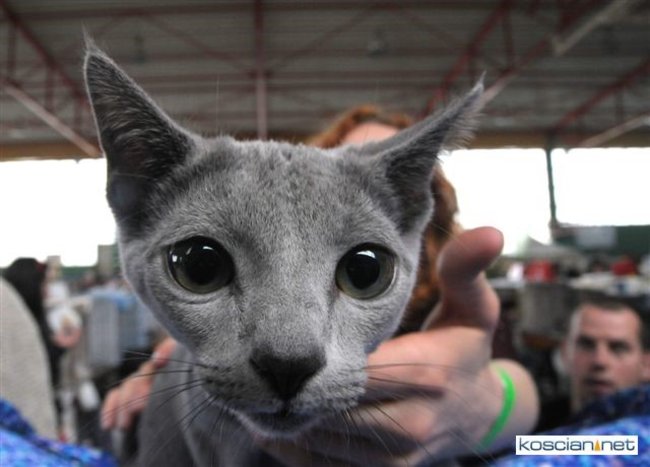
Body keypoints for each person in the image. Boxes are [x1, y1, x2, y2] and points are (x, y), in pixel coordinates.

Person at [100, 106, 541, 464]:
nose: (290, 349)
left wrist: (492, 408)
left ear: (418, 204)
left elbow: (540, 418)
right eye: (336, 162)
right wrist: (153, 376)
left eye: (363, 272)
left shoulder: (455, 300)